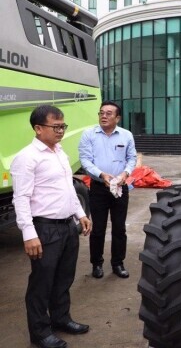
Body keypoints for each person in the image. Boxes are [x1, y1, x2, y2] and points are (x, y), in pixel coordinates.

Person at [11, 105, 92, 348]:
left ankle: (61, 319)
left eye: (62, 126)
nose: (61, 131)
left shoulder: (59, 152)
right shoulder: (27, 158)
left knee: (63, 278)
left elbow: (68, 187)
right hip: (45, 229)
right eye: (55, 127)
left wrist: (80, 213)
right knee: (41, 283)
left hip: (68, 226)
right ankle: (40, 333)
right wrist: (29, 234)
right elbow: (21, 198)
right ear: (38, 128)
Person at [78, 101, 137, 279]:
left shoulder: (126, 135)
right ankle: (97, 264)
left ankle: (118, 264)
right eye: (101, 113)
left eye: (109, 113)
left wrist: (125, 174)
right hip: (98, 188)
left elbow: (132, 158)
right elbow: (85, 161)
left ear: (117, 118)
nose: (104, 116)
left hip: (120, 187)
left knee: (119, 228)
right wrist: (102, 175)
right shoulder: (89, 135)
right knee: (98, 229)